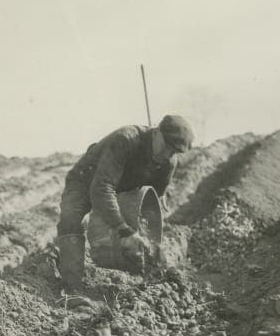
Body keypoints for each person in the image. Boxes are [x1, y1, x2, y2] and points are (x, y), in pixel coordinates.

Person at [55, 114, 194, 296]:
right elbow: (102, 188)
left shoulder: (168, 163)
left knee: (133, 237)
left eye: (174, 151)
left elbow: (154, 201)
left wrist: (151, 242)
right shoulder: (126, 140)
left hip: (122, 186)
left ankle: (147, 276)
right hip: (86, 178)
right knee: (70, 218)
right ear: (156, 132)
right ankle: (72, 285)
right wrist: (124, 230)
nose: (168, 154)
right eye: (167, 146)